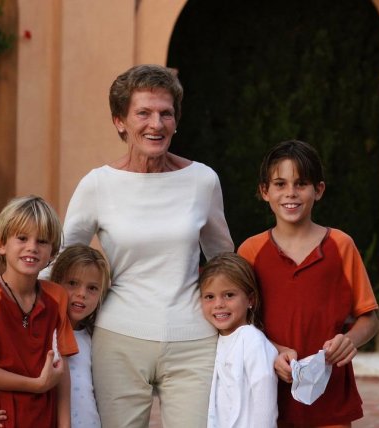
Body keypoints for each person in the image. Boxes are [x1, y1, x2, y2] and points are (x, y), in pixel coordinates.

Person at [50, 64, 235, 428]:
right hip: (119, 341)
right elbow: (58, 262)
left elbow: (224, 263)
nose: (157, 124)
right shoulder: (97, 185)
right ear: (120, 121)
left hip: (194, 341)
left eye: (166, 113)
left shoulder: (202, 181)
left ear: (176, 120)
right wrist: (11, 306)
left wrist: (246, 330)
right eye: (144, 113)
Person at [237, 140, 379, 427]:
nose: (290, 193)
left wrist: (348, 341)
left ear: (319, 190)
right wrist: (273, 350)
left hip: (328, 395)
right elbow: (240, 326)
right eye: (280, 184)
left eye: (301, 183)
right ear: (265, 192)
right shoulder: (250, 252)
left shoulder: (341, 246)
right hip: (267, 394)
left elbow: (369, 319)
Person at [0, 195, 78, 428]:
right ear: (2, 244)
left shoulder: (57, 297)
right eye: (22, 238)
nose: (32, 247)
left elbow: (62, 373)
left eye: (42, 241)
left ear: (52, 253)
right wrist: (37, 384)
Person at [0, 244, 110, 428]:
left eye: (92, 288)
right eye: (72, 283)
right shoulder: (39, 331)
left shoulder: (95, 339)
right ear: (55, 284)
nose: (81, 294)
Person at [198, 252, 278, 428]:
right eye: (209, 297)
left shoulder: (251, 339)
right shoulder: (215, 339)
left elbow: (264, 394)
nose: (219, 304)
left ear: (250, 299)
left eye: (229, 295)